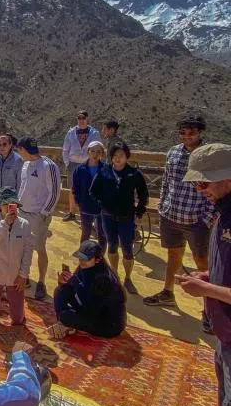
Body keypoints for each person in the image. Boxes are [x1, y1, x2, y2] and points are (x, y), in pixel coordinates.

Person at [176, 143, 231, 406]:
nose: (199, 191)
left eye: (204, 183)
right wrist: (209, 278)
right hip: (225, 335)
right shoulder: (222, 214)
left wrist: (208, 290)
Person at [144, 115, 216, 320]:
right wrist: (163, 204)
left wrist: (207, 219)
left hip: (196, 219)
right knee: (173, 256)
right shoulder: (173, 152)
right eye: (183, 132)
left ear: (200, 132)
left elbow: (215, 188)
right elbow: (167, 181)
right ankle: (168, 292)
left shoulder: (208, 156)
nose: (186, 136)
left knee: (203, 264)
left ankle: (210, 309)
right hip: (172, 214)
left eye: (191, 132)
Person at [90, 142, 149, 295]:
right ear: (111, 157)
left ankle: (128, 278)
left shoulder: (134, 174)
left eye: (121, 156)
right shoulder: (104, 172)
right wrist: (103, 204)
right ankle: (114, 275)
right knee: (112, 245)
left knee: (128, 249)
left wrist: (139, 213)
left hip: (126, 218)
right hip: (108, 217)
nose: (117, 159)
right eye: (115, 156)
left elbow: (143, 196)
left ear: (126, 157)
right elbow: (93, 191)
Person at [50, 240, 126, 340]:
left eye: (86, 259)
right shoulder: (85, 267)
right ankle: (65, 324)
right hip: (90, 307)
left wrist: (74, 282)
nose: (82, 261)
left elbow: (91, 307)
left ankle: (65, 323)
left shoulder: (103, 279)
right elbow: (76, 289)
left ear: (97, 259)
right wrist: (63, 282)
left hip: (107, 323)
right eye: (80, 258)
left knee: (66, 316)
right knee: (60, 291)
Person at [16, 136, 61, 300]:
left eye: (19, 149)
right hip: (22, 212)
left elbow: (55, 192)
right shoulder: (25, 165)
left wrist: (45, 213)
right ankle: (24, 276)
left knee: (39, 248)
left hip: (38, 215)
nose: (18, 153)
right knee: (20, 246)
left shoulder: (48, 166)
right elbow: (23, 187)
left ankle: (41, 281)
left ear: (24, 150)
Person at [0, 187, 33, 327]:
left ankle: (7, 302)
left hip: (15, 274)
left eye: (12, 204)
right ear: (0, 206)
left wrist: (23, 275)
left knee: (17, 319)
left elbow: (28, 251)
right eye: (5, 204)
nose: (9, 208)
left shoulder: (25, 225)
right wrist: (5, 224)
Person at [62, 110, 101, 221]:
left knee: (89, 188)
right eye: (79, 118)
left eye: (83, 118)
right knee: (73, 189)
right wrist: (67, 163)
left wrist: (94, 163)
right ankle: (72, 212)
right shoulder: (70, 132)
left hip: (88, 164)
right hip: (73, 164)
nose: (81, 120)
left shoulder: (94, 133)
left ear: (87, 119)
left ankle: (88, 213)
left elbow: (98, 149)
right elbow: (65, 150)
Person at [72, 140, 107, 250]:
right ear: (88, 151)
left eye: (98, 152)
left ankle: (99, 260)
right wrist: (78, 201)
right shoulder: (79, 169)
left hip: (101, 208)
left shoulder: (106, 169)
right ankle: (83, 257)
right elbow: (75, 188)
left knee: (102, 235)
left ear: (102, 153)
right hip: (86, 207)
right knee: (85, 234)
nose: (95, 154)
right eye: (93, 151)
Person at [0, 133, 24, 203]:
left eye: (4, 144)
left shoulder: (18, 160)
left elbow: (20, 182)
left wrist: (18, 199)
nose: (1, 147)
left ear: (10, 145)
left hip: (11, 199)